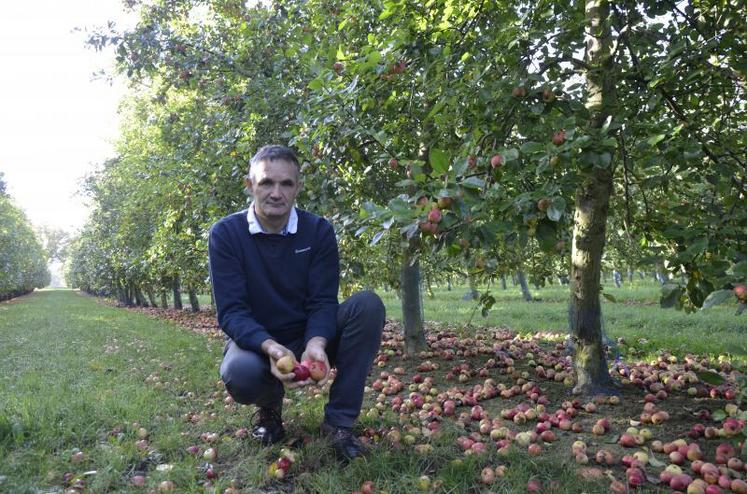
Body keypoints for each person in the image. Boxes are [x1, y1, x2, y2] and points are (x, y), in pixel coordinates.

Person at [208, 144, 385, 461]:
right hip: (260, 343)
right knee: (239, 372)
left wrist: (316, 343)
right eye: (266, 183)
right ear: (250, 186)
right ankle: (269, 411)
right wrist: (273, 348)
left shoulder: (317, 231)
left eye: (286, 183)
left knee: (368, 305)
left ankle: (339, 424)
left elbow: (322, 300)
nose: (276, 193)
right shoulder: (226, 234)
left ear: (297, 187)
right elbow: (233, 312)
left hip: (308, 337)